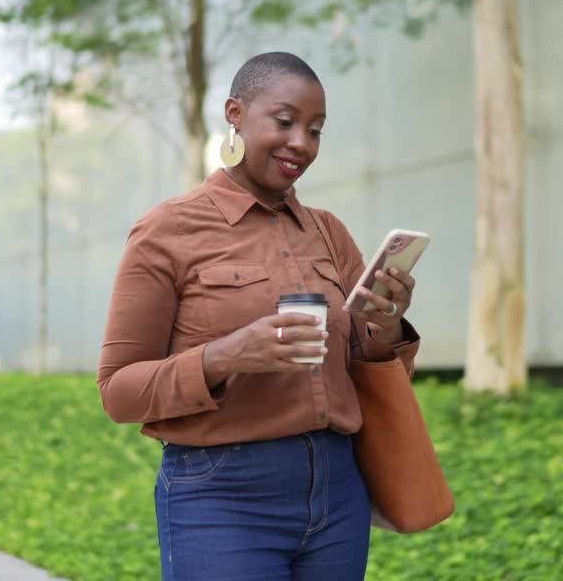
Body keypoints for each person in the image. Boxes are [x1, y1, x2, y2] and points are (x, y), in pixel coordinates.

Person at [97, 52, 422, 581]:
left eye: (315, 130)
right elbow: (117, 390)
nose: (302, 143)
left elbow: (369, 371)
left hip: (338, 491)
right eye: (286, 121)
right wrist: (226, 355)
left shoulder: (329, 233)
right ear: (234, 114)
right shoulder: (167, 231)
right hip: (222, 496)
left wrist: (386, 324)